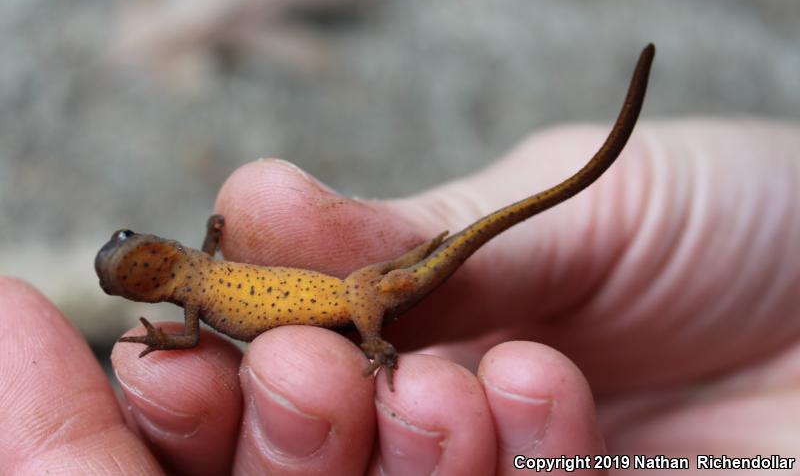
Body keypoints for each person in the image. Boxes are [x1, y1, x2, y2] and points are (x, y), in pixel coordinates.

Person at [1, 119, 798, 475]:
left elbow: (188, 339)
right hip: (360, 293)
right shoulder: (196, 289)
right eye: (132, 263)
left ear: (160, 262)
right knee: (352, 353)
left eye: (135, 255)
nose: (143, 256)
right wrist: (186, 285)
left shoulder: (194, 299)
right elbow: (193, 323)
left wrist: (376, 341)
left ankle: (385, 332)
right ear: (161, 263)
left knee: (423, 277)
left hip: (363, 301)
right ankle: (390, 315)